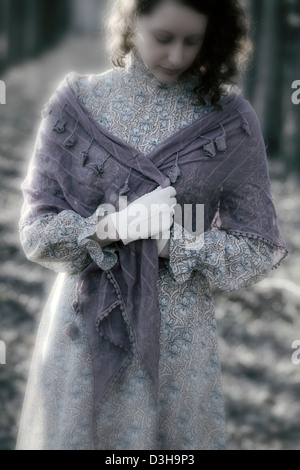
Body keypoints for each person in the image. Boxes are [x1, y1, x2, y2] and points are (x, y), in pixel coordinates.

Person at [16, 0, 288, 451]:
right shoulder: (77, 103)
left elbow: (257, 247)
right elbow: (36, 231)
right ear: (132, 20)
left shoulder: (231, 119)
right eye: (163, 38)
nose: (178, 56)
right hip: (83, 331)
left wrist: (173, 244)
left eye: (192, 41)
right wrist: (108, 229)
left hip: (178, 341)